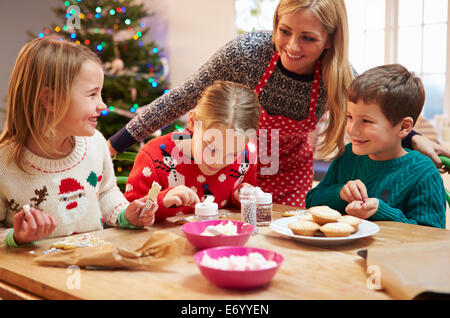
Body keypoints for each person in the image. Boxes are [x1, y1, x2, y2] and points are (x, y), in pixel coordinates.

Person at [108, 0, 449, 207]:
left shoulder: (337, 74)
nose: (292, 46)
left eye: (308, 38)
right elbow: (182, 96)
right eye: (285, 31)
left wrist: (414, 138)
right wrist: (116, 142)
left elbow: (370, 112)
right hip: (233, 166)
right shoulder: (247, 54)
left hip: (290, 173)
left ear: (330, 41)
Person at [0, 37, 157, 248]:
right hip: (35, 278)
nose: (102, 106)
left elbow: (105, 193)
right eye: (92, 94)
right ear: (50, 100)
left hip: (92, 270)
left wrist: (125, 215)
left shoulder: (95, 144)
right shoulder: (4, 166)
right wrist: (16, 237)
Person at [305, 64, 446, 229]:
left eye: (366, 121)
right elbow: (312, 201)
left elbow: (432, 236)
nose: (352, 129)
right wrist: (340, 193)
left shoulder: (424, 172)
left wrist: (381, 211)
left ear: (403, 127)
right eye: (350, 117)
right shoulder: (348, 155)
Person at [124, 80, 260, 221]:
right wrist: (161, 201)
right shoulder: (154, 156)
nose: (217, 162)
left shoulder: (247, 155)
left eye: (232, 154)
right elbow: (126, 216)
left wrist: (242, 197)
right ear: (192, 122)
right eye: (212, 148)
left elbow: (237, 210)